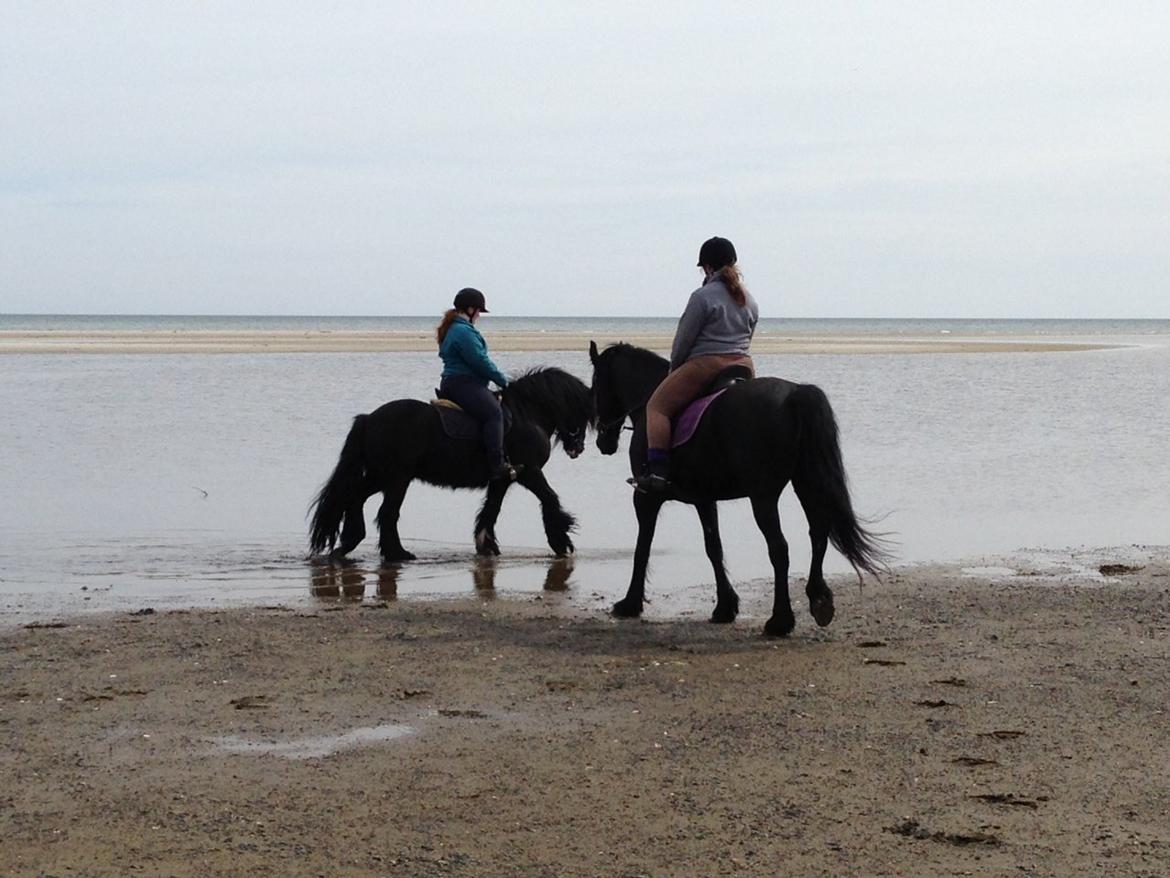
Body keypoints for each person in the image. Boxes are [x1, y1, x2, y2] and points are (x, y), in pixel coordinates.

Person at [632, 237, 759, 492]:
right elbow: (749, 336)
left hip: (707, 364)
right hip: (744, 365)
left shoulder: (702, 297)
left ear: (708, 268)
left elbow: (683, 341)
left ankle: (658, 472)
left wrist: (674, 371)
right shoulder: (749, 299)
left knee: (657, 407)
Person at [436, 288, 516, 481]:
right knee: (494, 414)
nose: (479, 315)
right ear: (470, 310)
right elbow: (479, 361)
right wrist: (502, 380)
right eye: (479, 311)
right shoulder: (462, 331)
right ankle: (497, 465)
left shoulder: (454, 327)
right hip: (463, 384)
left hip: (460, 383)